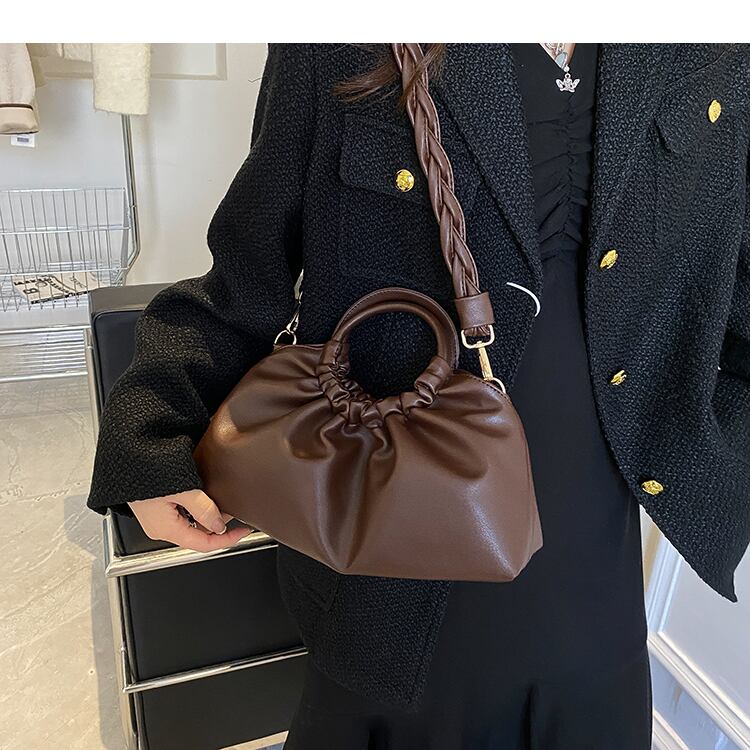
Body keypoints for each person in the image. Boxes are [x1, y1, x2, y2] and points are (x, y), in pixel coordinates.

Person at [87, 43, 750, 749]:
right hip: (389, 549)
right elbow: (246, 274)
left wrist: (717, 460)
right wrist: (148, 437)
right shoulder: (345, 37)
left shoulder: (711, 45)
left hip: (591, 553)